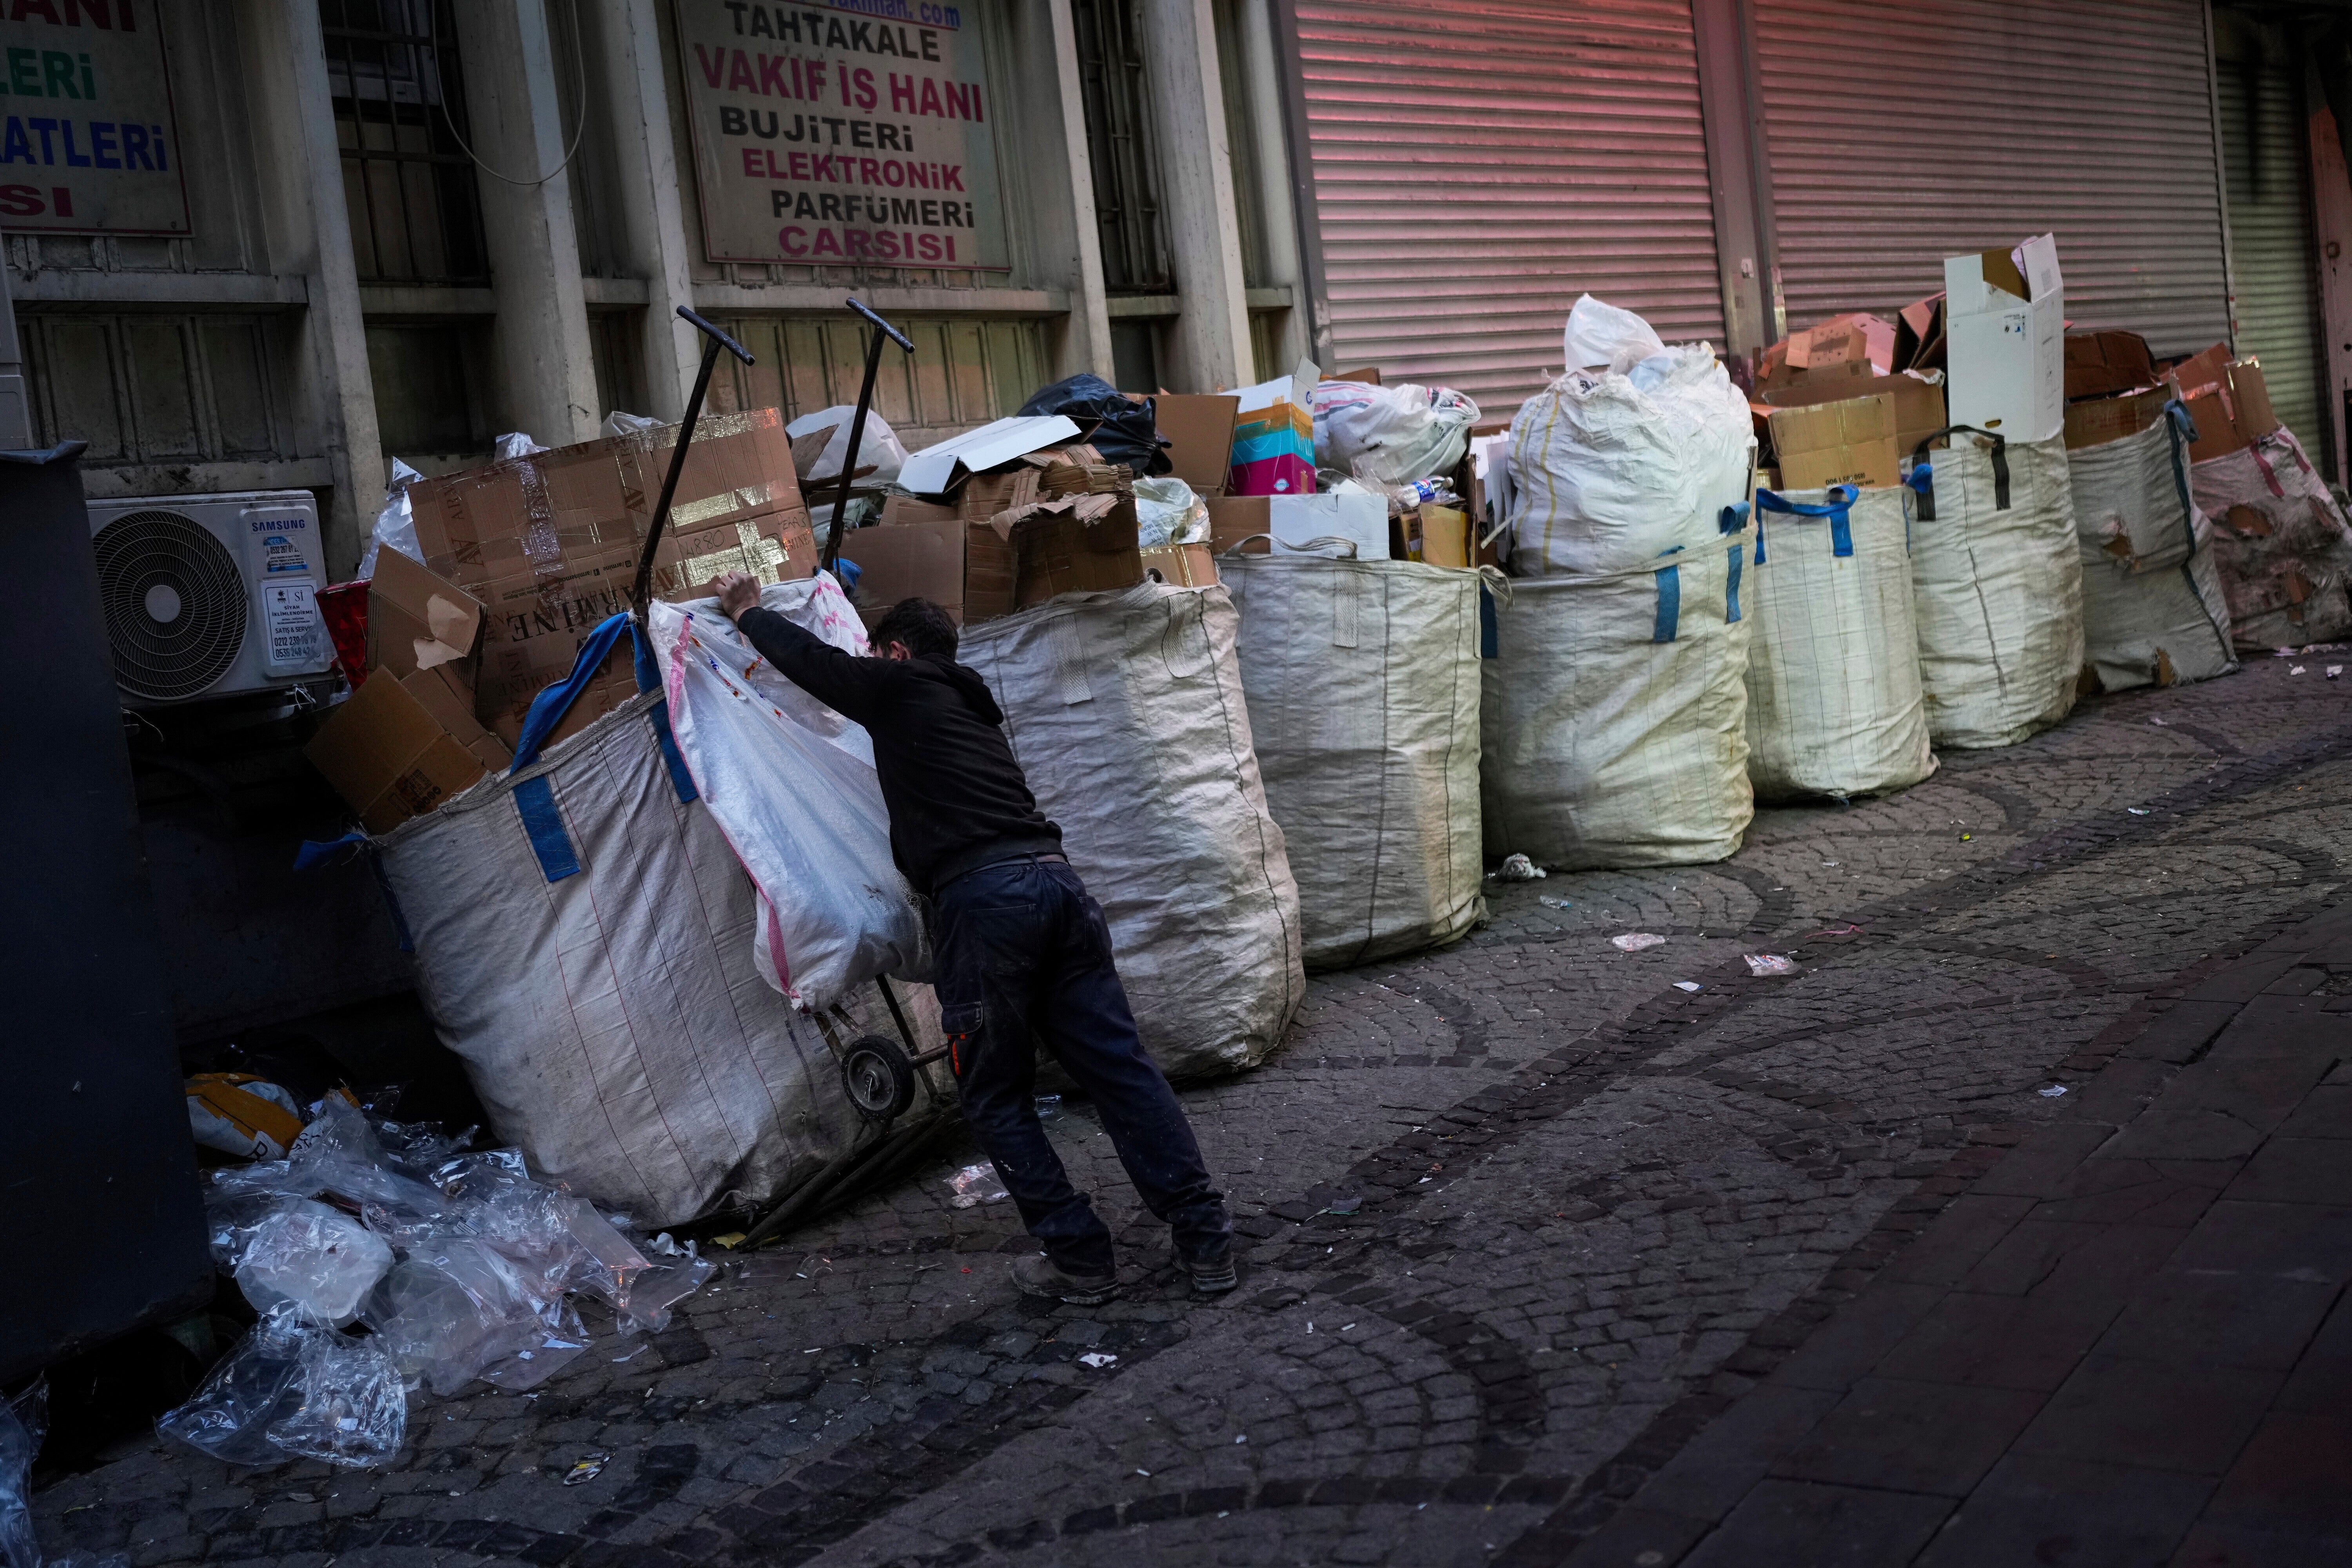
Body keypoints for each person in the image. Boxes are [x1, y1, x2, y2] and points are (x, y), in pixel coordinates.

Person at [711, 572, 1235, 1304]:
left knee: (992, 1094)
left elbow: (817, 667)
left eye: (873, 655)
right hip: (1058, 887)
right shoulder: (971, 711)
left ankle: (1079, 1256)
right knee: (1121, 1072)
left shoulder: (900, 689)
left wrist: (747, 611)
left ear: (894, 654)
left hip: (989, 908)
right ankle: (1205, 1240)